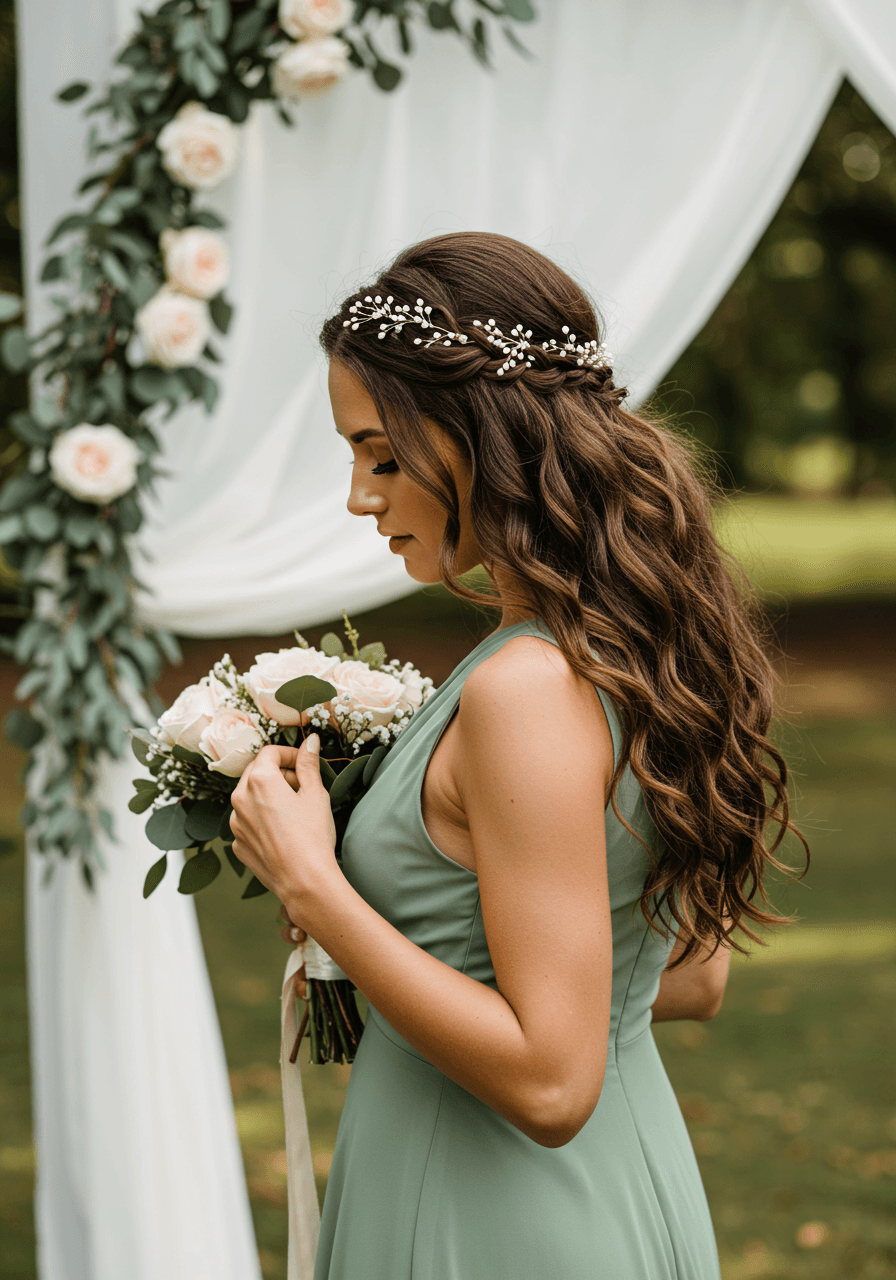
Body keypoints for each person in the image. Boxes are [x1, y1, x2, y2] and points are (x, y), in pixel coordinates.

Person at [228, 231, 805, 1279]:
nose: (360, 496)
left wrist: (316, 886)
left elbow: (550, 1081)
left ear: (474, 439)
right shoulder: (626, 650)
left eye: (381, 454)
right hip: (611, 1181)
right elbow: (681, 974)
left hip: (492, 1216)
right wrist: (382, 943)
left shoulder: (523, 688)